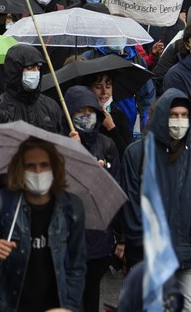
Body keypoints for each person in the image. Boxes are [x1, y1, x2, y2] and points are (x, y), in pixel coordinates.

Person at [0, 137, 86, 311]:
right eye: (30, 166)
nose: (38, 172)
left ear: (54, 168)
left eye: (44, 165)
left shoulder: (71, 208)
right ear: (20, 169)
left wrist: (70, 307)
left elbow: (76, 266)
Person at [62, 86, 120, 312]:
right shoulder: (60, 146)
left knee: (91, 297)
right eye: (79, 112)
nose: (86, 117)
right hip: (69, 241)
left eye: (90, 111)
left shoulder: (106, 146)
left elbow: (114, 191)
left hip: (98, 243)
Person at [120, 89, 191, 275]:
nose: (179, 120)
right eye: (174, 115)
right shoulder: (137, 154)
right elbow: (130, 204)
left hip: (185, 257)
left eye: (184, 115)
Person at [0, 45, 65, 134]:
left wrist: (70, 142)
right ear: (15, 71)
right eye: (29, 68)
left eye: (38, 68)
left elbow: (59, 142)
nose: (35, 72)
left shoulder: (50, 106)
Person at [86, 72, 133, 158]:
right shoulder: (84, 115)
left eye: (108, 87)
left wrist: (111, 127)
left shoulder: (120, 116)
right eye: (98, 87)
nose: (104, 92)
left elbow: (126, 154)